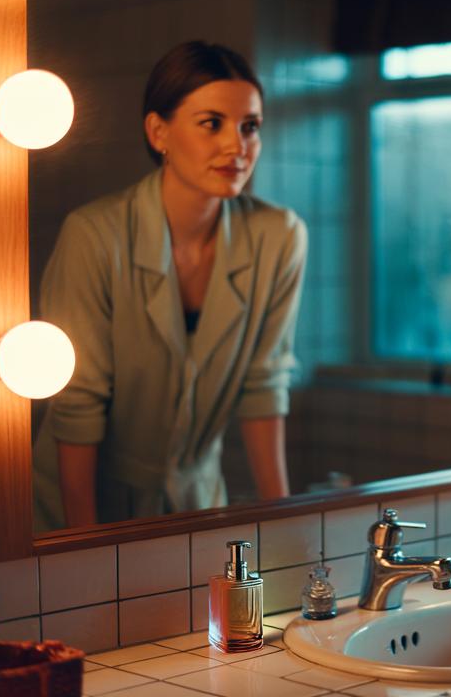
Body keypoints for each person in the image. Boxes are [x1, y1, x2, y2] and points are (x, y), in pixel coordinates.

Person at [32, 41, 307, 530]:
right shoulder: (96, 235)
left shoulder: (278, 237)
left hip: (197, 500)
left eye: (250, 127)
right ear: (159, 131)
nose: (236, 146)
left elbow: (265, 387)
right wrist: (84, 546)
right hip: (79, 502)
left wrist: (287, 530)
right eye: (212, 123)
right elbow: (77, 406)